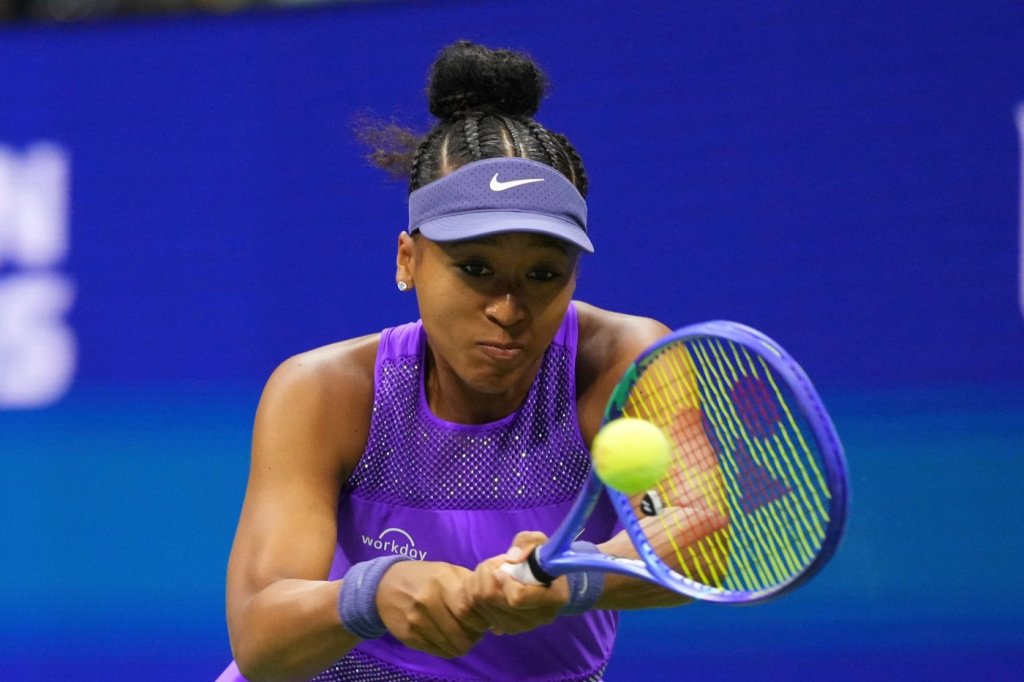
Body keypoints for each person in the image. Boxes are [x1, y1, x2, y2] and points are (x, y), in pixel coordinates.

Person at [217, 40, 688, 682]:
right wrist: (372, 593)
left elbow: (696, 530)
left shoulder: (625, 362)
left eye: (543, 273)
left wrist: (574, 575)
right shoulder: (325, 389)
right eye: (475, 268)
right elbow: (260, 636)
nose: (508, 308)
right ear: (408, 260)